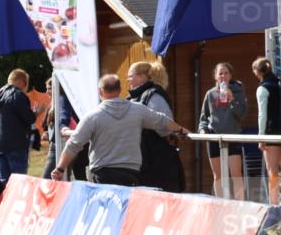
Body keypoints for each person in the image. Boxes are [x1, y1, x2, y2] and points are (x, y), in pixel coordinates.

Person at [52, 75, 190, 186]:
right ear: (120, 90)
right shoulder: (138, 110)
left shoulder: (92, 116)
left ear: (100, 91)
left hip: (102, 173)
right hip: (130, 172)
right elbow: (162, 121)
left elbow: (73, 144)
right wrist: (181, 129)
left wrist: (60, 168)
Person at [127, 61, 186, 193]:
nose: (127, 79)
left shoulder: (154, 95)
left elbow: (163, 124)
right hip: (144, 157)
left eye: (130, 76)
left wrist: (178, 130)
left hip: (156, 158)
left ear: (142, 76)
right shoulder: (134, 97)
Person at [198, 62, 248, 199]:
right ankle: (220, 203)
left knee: (236, 174)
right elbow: (204, 117)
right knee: (218, 175)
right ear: (215, 76)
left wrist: (232, 99)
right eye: (220, 73)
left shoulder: (238, 90)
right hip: (215, 137)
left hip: (232, 136)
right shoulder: (210, 94)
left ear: (230, 75)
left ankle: (240, 204)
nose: (223, 76)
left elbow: (242, 114)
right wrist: (202, 130)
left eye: (226, 73)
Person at [0, 69, 43, 182]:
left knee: (4, 182)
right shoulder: (18, 95)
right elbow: (29, 118)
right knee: (17, 183)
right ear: (22, 82)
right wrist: (38, 112)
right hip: (16, 146)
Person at [42, 77, 87, 180]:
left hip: (63, 143)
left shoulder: (62, 99)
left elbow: (63, 119)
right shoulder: (57, 102)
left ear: (56, 87)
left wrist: (63, 128)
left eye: (49, 88)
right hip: (68, 142)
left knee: (50, 178)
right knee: (72, 176)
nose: (47, 91)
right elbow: (48, 123)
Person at [252, 57, 280, 205]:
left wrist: (261, 137)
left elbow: (262, 115)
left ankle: (274, 205)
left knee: (273, 172)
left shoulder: (262, 89)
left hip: (271, 133)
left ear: (257, 72)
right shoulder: (279, 83)